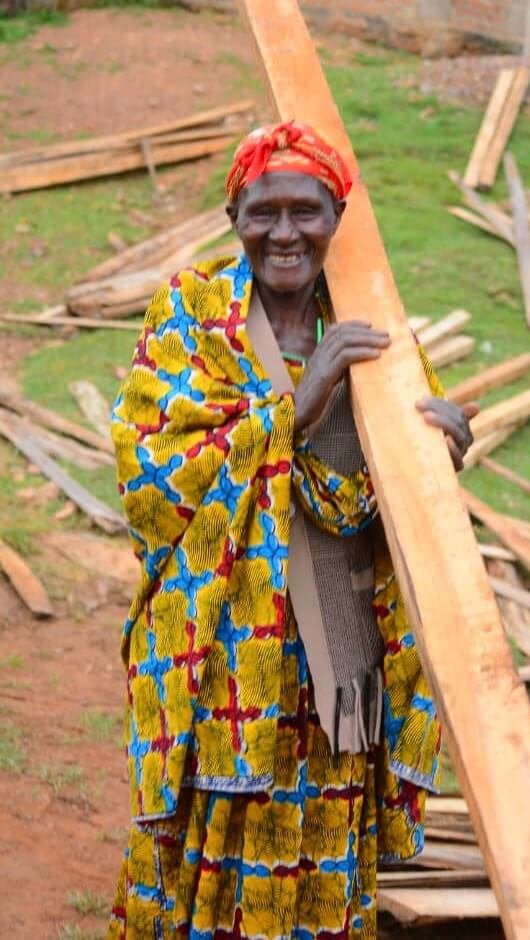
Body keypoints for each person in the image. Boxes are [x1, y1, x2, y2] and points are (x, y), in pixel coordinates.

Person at [108, 120, 477, 939]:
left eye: (305, 211)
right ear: (234, 214)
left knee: (320, 863)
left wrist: (436, 455)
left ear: (336, 216)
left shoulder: (373, 331)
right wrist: (295, 407)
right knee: (211, 864)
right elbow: (151, 475)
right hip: (226, 661)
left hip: (336, 668)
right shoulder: (192, 313)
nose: (284, 233)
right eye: (262, 211)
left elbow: (391, 498)